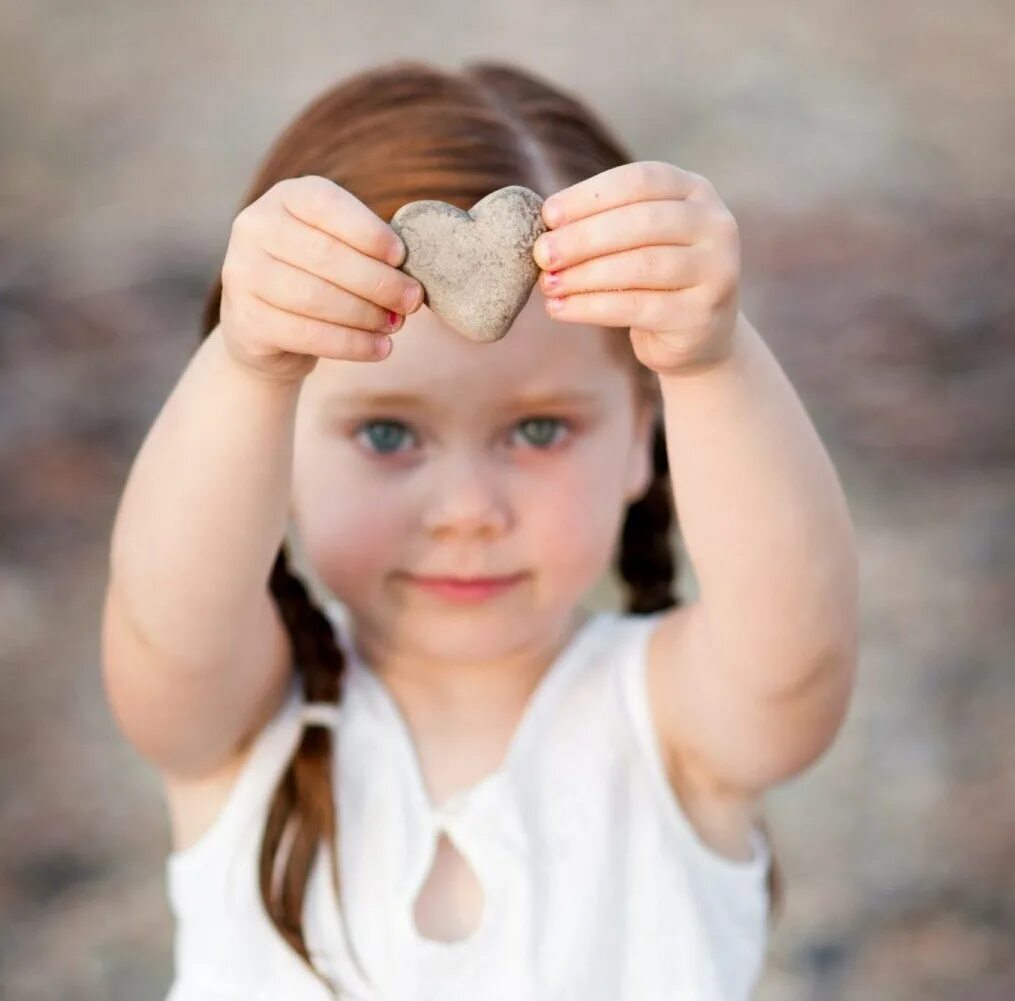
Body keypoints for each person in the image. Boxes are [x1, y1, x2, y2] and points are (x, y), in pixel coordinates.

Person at [100, 58, 858, 1001]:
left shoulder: (681, 726)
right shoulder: (238, 722)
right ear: (273, 453)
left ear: (641, 441)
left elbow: (801, 648)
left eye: (538, 429)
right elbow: (159, 613)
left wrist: (711, 362)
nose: (467, 511)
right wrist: (248, 367)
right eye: (386, 432)